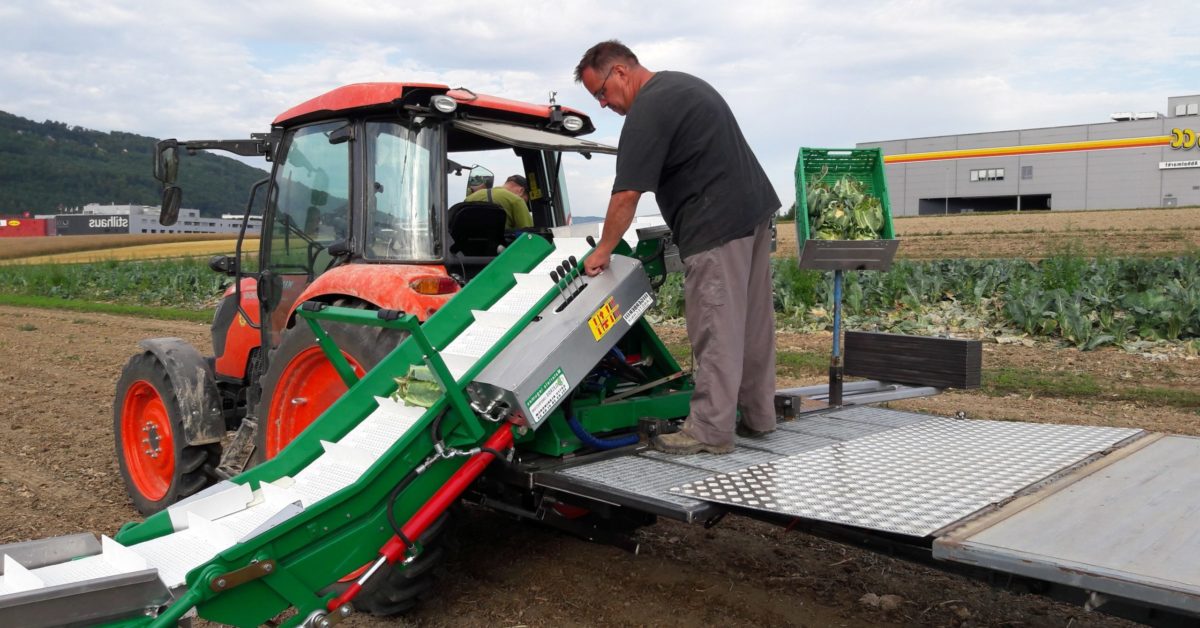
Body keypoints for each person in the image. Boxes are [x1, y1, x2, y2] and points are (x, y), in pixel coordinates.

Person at [575, 40, 780, 455]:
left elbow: (626, 194)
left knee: (716, 326)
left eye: (600, 93)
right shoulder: (683, 85)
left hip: (716, 223)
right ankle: (758, 416)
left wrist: (603, 251)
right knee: (753, 324)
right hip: (753, 215)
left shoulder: (648, 108)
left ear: (619, 72)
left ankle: (709, 430)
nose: (602, 104)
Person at [463, 174, 534, 229]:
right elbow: (530, 235)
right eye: (526, 201)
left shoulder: (468, 199)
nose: (525, 204)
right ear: (521, 191)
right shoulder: (516, 200)